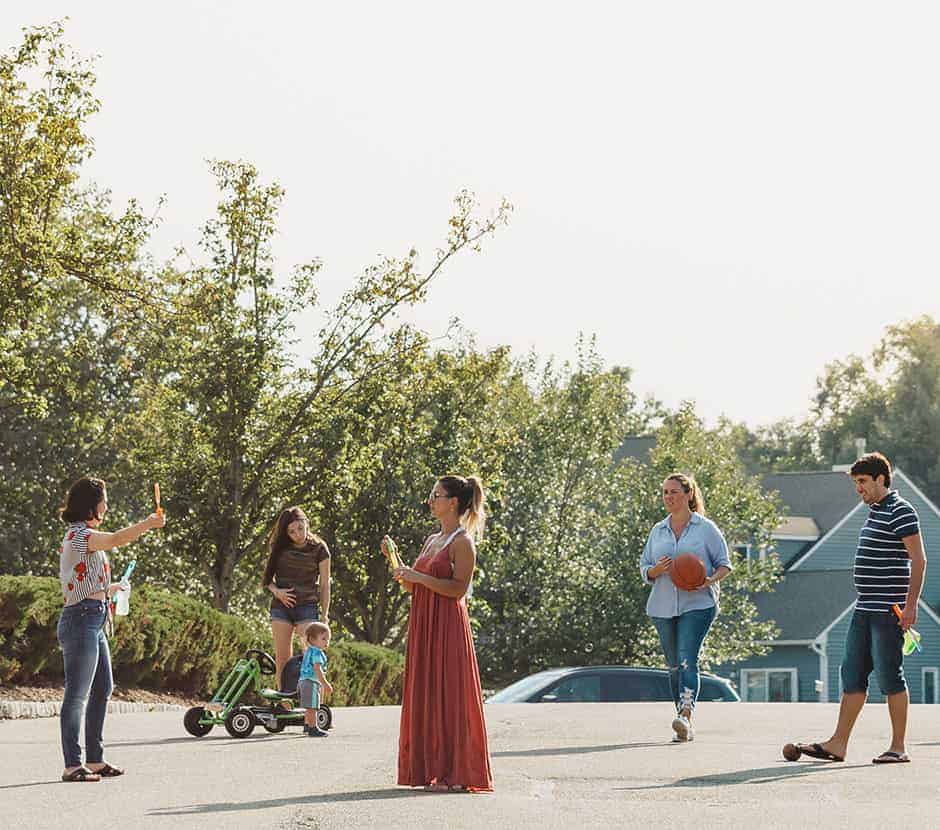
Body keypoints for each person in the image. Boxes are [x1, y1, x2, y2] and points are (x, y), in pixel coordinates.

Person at [797, 452, 926, 764]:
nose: (859, 489)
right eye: (856, 483)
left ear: (881, 479)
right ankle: (838, 744)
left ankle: (898, 747)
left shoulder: (901, 511)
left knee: (889, 676)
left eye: (863, 482)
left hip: (887, 610)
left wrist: (910, 607)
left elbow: (919, 561)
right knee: (852, 675)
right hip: (864, 607)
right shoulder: (875, 511)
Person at [57, 476, 165, 782]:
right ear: (91, 504)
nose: (107, 505)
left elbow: (83, 579)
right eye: (104, 499)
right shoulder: (79, 535)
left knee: (102, 688)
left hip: (94, 616)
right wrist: (148, 523)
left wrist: (111, 587)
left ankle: (94, 759)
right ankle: (72, 764)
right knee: (77, 695)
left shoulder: (85, 536)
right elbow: (117, 538)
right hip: (81, 619)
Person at [389, 474, 493, 793]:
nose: (431, 500)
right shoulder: (432, 539)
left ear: (454, 503)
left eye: (437, 495)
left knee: (449, 694)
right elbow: (412, 584)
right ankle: (428, 770)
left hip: (447, 623)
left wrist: (418, 577)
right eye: (431, 495)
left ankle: (455, 773)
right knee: (427, 691)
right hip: (424, 622)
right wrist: (396, 564)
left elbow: (458, 589)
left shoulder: (462, 542)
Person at [639, 473, 732, 742]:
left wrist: (708, 581)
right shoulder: (658, 531)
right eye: (665, 492)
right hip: (662, 606)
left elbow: (724, 564)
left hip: (698, 604)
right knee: (673, 665)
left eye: (674, 492)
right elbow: (644, 566)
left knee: (687, 658)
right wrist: (655, 570)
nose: (669, 497)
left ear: (688, 494)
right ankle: (682, 720)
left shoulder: (706, 529)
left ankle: (686, 714)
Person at [262, 507, 331, 688]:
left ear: (307, 523)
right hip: (281, 608)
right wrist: (277, 592)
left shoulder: (320, 549)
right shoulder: (280, 548)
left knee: (312, 657)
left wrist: (324, 615)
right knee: (283, 659)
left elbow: (324, 585)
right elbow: (267, 579)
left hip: (307, 607)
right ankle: (285, 705)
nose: (297, 534)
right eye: (292, 531)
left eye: (300, 528)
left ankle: (312, 705)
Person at [298, 621, 333, 737]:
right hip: (311, 682)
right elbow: (317, 669)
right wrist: (325, 683)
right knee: (313, 707)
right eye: (323, 639)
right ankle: (313, 728)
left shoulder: (309, 651)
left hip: (303, 681)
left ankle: (307, 725)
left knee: (309, 707)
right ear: (312, 640)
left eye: (328, 639)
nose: (326, 642)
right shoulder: (317, 653)